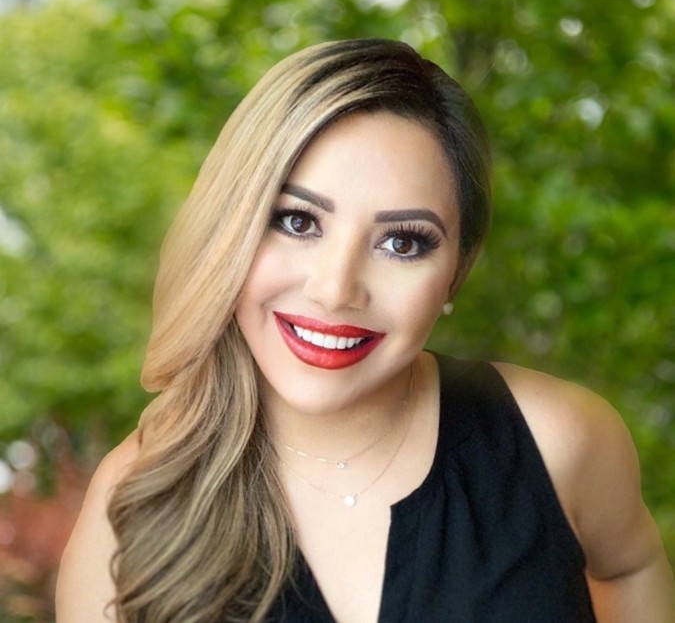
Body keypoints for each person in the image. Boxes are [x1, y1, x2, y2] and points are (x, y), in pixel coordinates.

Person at [56, 38, 674, 623]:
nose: (335, 289)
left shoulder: (559, 438)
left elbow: (631, 567)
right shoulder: (134, 500)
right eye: (297, 222)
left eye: (401, 242)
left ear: (456, 273)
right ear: (230, 229)